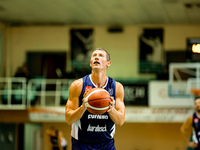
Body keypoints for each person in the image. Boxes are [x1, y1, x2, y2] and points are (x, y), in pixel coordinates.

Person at [65, 48, 125, 150]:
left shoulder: (117, 87)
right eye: (94, 55)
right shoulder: (78, 85)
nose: (96, 57)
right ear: (90, 63)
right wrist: (83, 107)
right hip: (81, 144)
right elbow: (68, 119)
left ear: (108, 63)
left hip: (106, 144)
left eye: (101, 55)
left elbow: (120, 121)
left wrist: (111, 109)